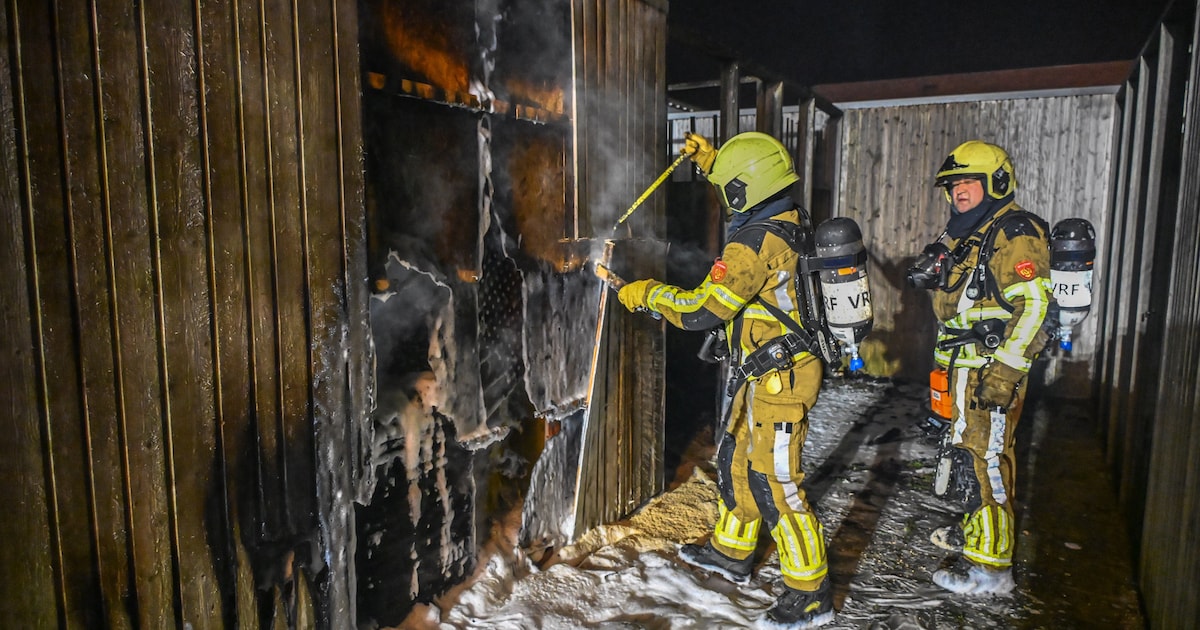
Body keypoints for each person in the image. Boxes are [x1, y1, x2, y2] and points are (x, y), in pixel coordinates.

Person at [612, 131, 834, 628]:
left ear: (743, 191)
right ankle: (732, 552)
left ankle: (810, 591)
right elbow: (749, 187)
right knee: (735, 457)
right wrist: (715, 162)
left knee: (776, 481)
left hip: (783, 377)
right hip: (764, 368)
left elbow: (699, 311)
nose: (721, 197)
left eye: (726, 188)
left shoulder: (751, 247)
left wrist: (645, 293)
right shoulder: (785, 218)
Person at [912, 140, 1052, 594]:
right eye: (952, 185)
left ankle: (990, 571)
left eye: (969, 182)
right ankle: (976, 533)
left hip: (987, 373)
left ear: (996, 183)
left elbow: (1033, 309)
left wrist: (1002, 376)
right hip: (961, 370)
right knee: (967, 458)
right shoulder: (970, 233)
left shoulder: (1015, 232)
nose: (959, 192)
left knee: (988, 460)